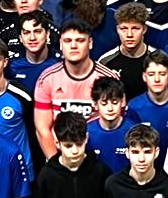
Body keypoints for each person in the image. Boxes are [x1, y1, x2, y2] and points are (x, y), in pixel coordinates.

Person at [32, 22, 119, 159]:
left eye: (80, 40)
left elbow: (117, 125)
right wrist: (56, 164)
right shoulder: (47, 79)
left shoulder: (108, 78)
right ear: (60, 44)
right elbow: (42, 128)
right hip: (60, 155)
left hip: (99, 157)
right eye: (67, 41)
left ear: (90, 43)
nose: (73, 46)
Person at [86, 77, 138, 174]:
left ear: (123, 101)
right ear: (96, 105)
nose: (110, 108)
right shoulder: (87, 132)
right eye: (104, 103)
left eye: (115, 102)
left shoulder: (135, 131)